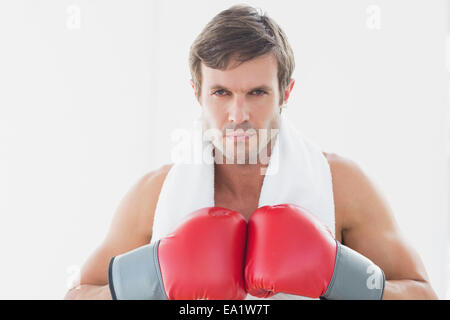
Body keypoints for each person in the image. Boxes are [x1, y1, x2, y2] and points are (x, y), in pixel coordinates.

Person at [64, 4, 437, 300]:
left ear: (285, 93)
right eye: (221, 93)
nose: (238, 115)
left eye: (256, 93)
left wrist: (339, 276)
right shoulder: (154, 194)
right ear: (197, 92)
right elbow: (78, 294)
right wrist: (153, 280)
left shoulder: (340, 183)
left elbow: (424, 295)